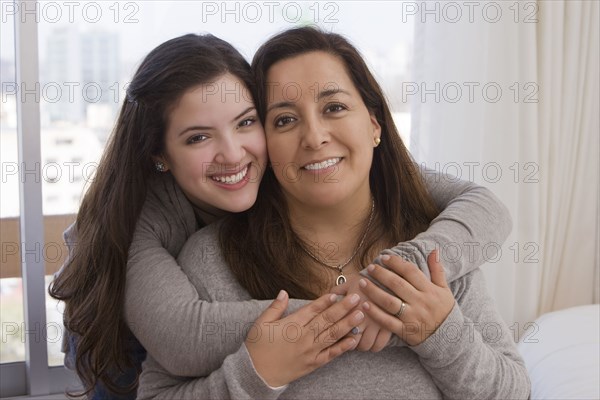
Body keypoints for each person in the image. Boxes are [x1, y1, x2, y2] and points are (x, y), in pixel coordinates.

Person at [50, 32, 514, 399]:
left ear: (374, 123)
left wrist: (430, 317)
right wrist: (371, 312)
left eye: (245, 122)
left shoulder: (434, 249)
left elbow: (486, 206)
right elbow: (178, 334)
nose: (233, 153)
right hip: (114, 339)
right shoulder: (159, 234)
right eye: (286, 119)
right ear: (160, 155)